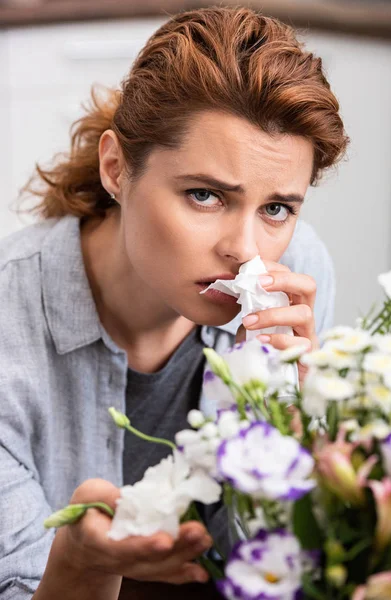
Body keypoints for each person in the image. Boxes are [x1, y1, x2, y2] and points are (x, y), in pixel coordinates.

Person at [0, 6, 348, 600]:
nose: (246, 251)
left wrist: (300, 425)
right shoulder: (10, 328)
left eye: (277, 208)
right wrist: (81, 567)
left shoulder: (299, 275)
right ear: (116, 168)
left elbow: (280, 570)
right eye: (205, 195)